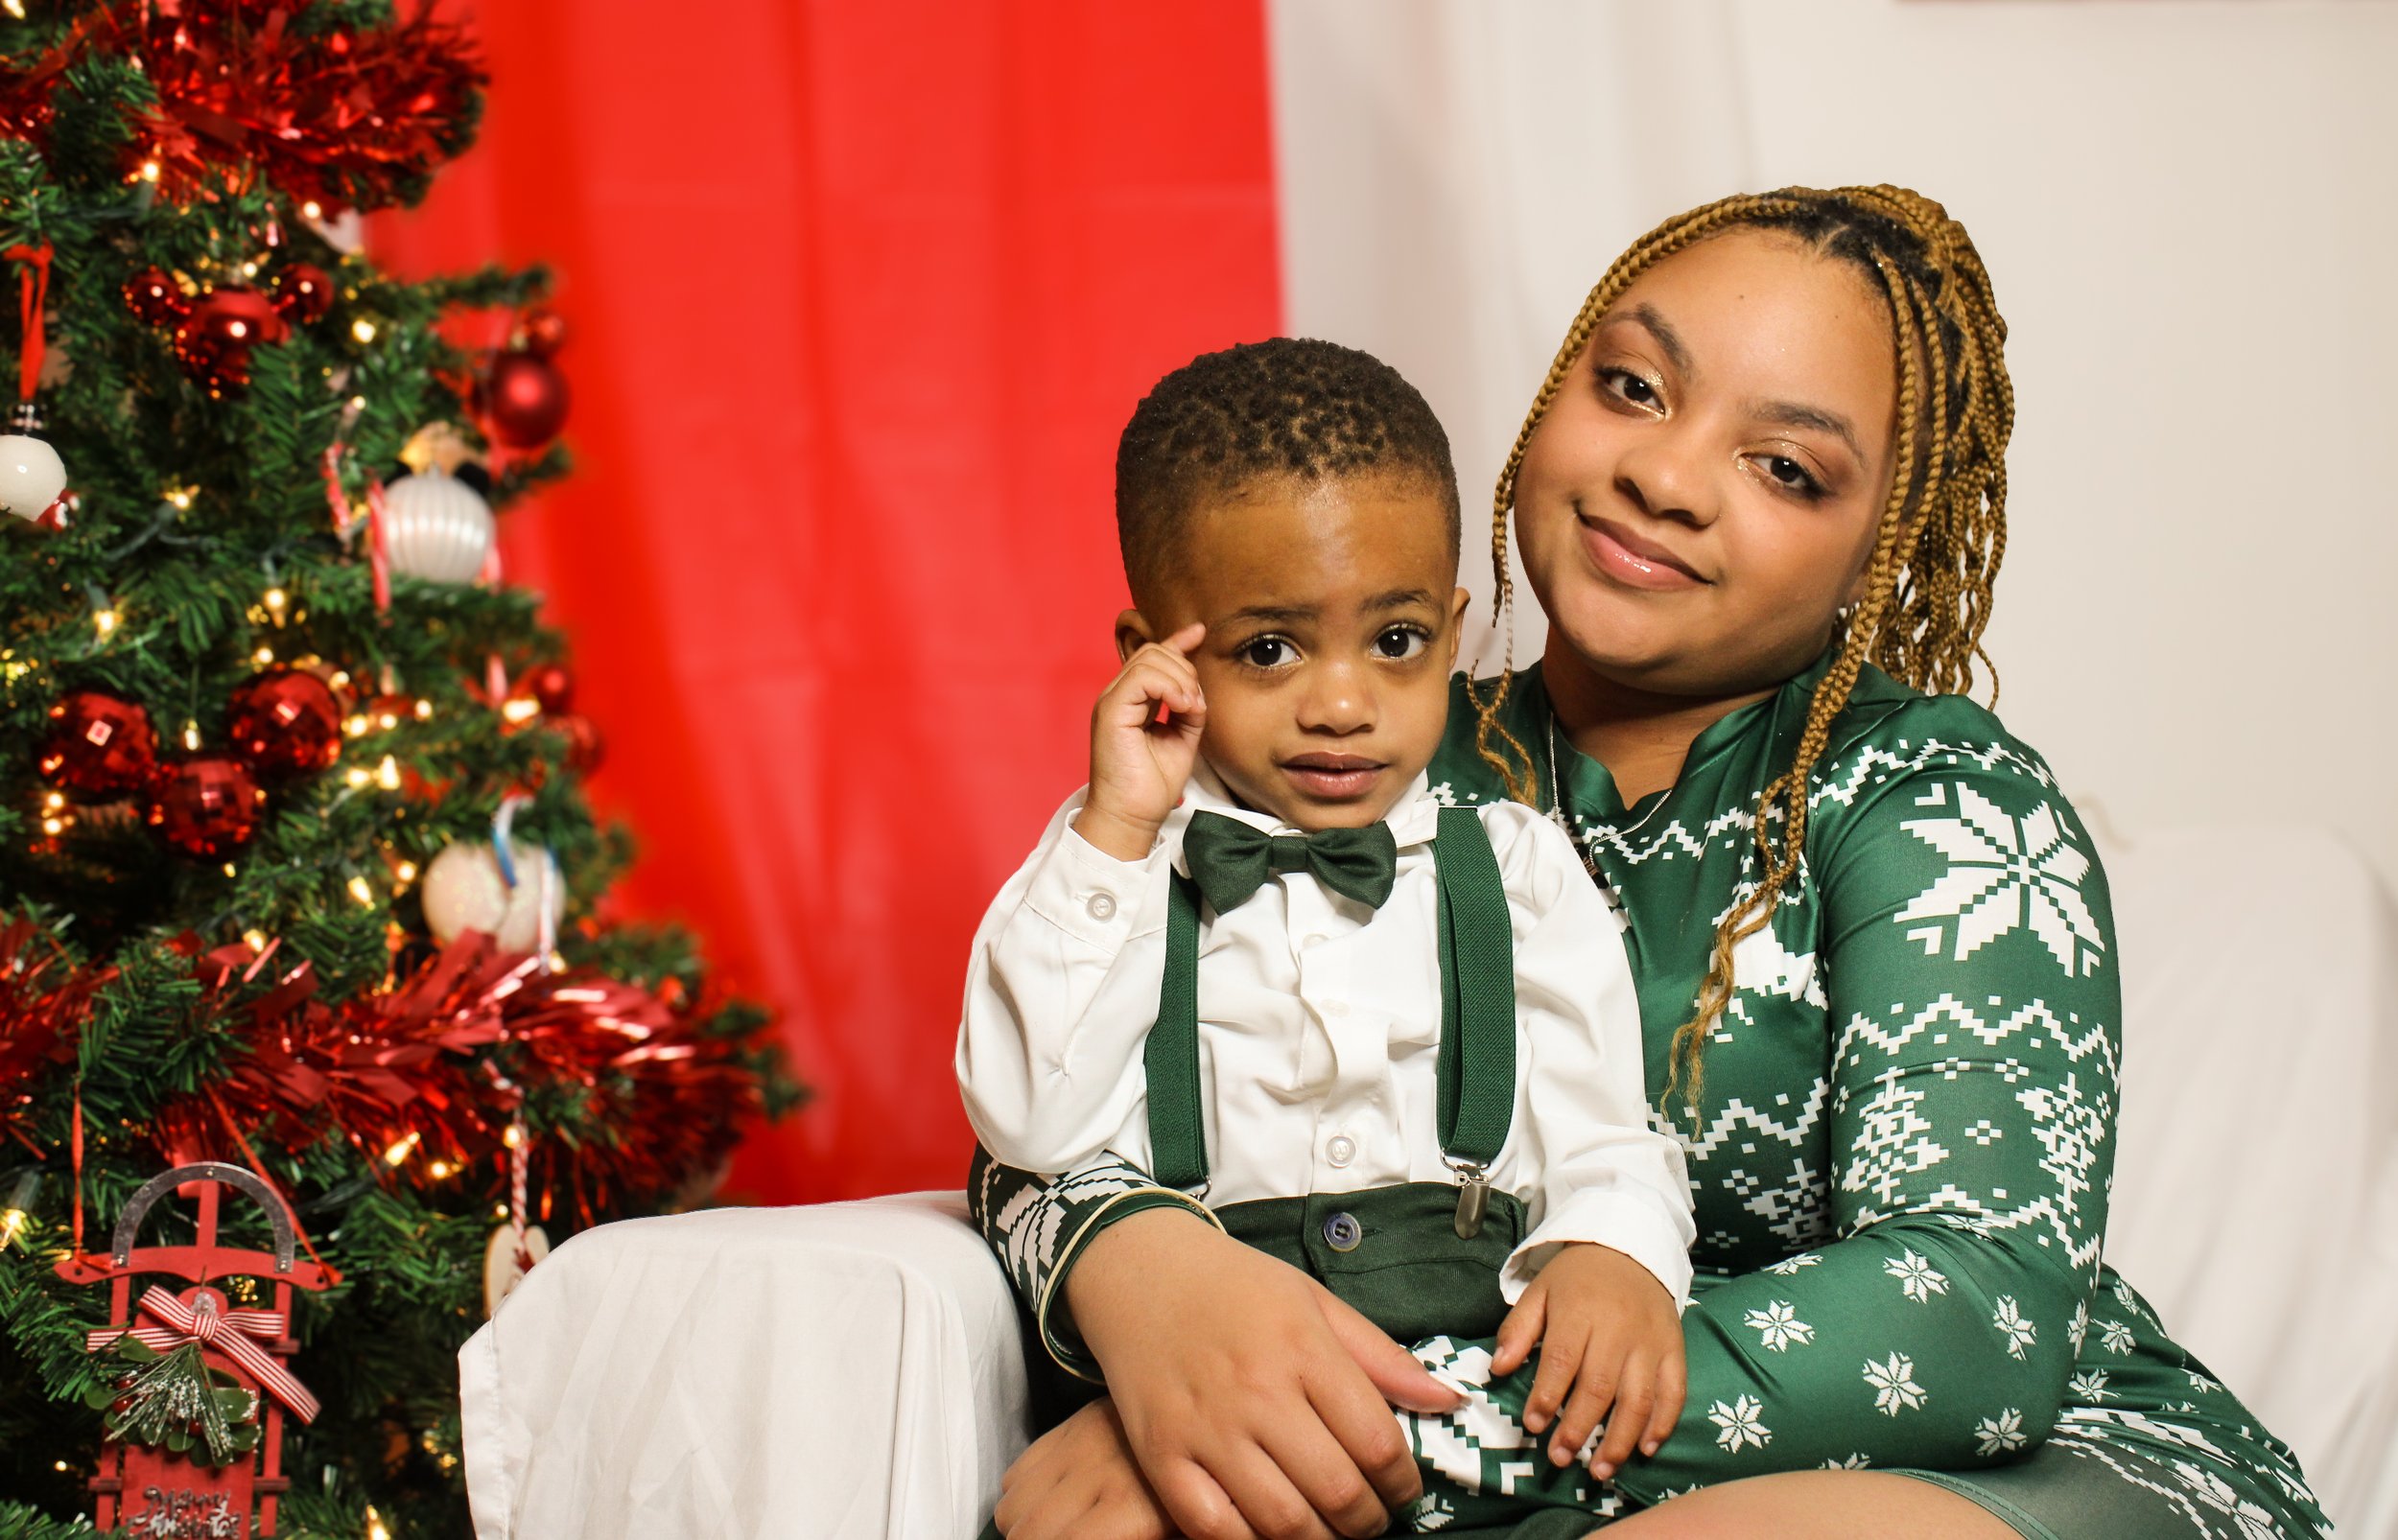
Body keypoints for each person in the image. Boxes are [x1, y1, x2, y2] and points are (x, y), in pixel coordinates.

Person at [969, 188, 2331, 1540]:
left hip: (1996, 1464)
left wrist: (1354, 1418)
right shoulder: (1344, 754)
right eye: (1632, 386)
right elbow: (1050, 1065)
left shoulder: (1937, 800)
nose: (1666, 478)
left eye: (1786, 466)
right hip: (1541, 1488)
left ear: (1879, 549)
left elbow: (1973, 1314)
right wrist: (1135, 1269)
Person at [955, 338, 1700, 1533]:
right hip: (1196, 1388)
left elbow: (1604, 1132)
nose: (1342, 703)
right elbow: (1028, 1120)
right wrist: (1114, 827)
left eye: (1394, 641)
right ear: (1152, 657)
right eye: (1268, 649)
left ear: (1451, 633)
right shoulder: (1119, 872)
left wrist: (1610, 1253)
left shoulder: (1510, 867)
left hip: (1466, 1382)